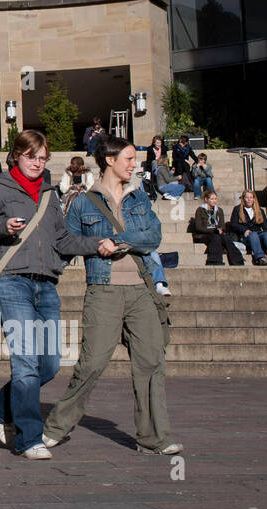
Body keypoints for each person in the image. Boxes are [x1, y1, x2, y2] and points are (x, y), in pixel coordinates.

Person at [0, 129, 118, 460]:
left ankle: (1, 402)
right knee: (25, 363)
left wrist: (97, 245)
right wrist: (2, 227)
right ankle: (28, 438)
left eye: (42, 157)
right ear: (16, 156)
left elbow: (63, 241)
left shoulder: (51, 195)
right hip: (13, 282)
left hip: (47, 285)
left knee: (48, 364)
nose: (37, 162)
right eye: (31, 156)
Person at [43, 135, 181, 456]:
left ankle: (154, 438)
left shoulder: (139, 199)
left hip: (141, 292)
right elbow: (66, 246)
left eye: (135, 159)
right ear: (110, 160)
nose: (134, 165)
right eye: (129, 159)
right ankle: (55, 428)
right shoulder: (81, 203)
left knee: (150, 363)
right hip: (103, 291)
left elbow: (154, 236)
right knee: (92, 364)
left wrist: (119, 241)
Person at [228, 190, 267, 266]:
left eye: (251, 197)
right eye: (247, 197)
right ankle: (260, 258)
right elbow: (233, 224)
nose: (249, 199)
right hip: (245, 236)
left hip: (258, 234)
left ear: (254, 199)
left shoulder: (259, 210)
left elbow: (266, 227)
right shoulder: (237, 209)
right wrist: (244, 230)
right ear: (243, 199)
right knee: (253, 235)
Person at [191, 189, 244, 266]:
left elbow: (222, 225)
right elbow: (199, 227)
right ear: (206, 199)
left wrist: (219, 230)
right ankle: (214, 260)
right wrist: (213, 230)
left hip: (217, 233)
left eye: (215, 199)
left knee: (226, 238)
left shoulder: (219, 210)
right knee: (215, 238)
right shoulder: (200, 210)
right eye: (212, 199)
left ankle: (238, 260)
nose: (214, 201)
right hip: (204, 234)